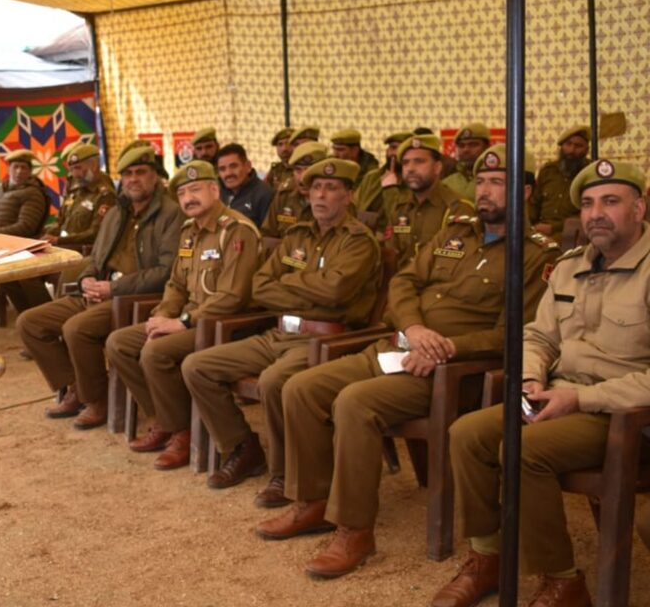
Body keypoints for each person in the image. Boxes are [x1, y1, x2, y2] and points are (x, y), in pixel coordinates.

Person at [260, 145, 560, 581]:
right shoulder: (453, 232)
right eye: (480, 182)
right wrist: (415, 328)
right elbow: (404, 280)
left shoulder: (537, 255)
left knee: (354, 404)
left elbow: (516, 333)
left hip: (454, 371)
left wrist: (446, 348)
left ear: (527, 191)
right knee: (301, 388)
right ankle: (314, 503)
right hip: (400, 345)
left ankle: (354, 530)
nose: (485, 191)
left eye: (499, 182)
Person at [430, 158, 649, 607]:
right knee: (467, 433)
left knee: (524, 449)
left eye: (611, 201)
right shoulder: (570, 266)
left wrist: (581, 398)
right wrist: (530, 376)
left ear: (640, 208)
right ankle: (487, 556)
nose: (596, 214)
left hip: (620, 413)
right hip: (556, 395)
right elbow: (537, 335)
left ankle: (563, 581)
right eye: (587, 204)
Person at [182, 158, 380, 500]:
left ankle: (285, 472)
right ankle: (244, 448)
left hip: (326, 339)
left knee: (275, 382)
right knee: (198, 366)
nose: (321, 195)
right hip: (280, 333)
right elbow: (259, 286)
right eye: (316, 187)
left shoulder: (358, 241)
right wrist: (311, 287)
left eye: (331, 188)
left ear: (349, 195)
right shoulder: (297, 235)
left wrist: (288, 283)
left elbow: (336, 292)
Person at [106, 160, 261, 469]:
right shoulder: (189, 231)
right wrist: (161, 316)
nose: (189, 198)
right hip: (189, 321)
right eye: (183, 193)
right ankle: (167, 419)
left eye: (196, 189)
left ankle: (181, 431)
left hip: (226, 325)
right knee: (119, 343)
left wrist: (182, 322)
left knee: (155, 352)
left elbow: (232, 297)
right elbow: (176, 283)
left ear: (214, 190)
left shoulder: (236, 231)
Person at [16, 145, 182, 429]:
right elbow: (96, 257)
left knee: (76, 329)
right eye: (127, 174)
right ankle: (76, 386)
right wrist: (87, 279)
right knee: (29, 322)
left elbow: (165, 272)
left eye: (141, 172)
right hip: (99, 292)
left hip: (132, 300)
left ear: (155, 176)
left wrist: (113, 289)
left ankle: (98, 400)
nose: (133, 179)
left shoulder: (170, 214)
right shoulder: (118, 212)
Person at [0, 149, 52, 313]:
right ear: (9, 168)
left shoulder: (33, 193)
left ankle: (44, 312)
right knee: (3, 278)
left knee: (21, 277)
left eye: (24, 168)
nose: (19, 172)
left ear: (30, 171)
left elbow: (26, 226)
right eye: (16, 167)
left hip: (21, 246)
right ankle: (26, 313)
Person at [386, 134, 474, 265]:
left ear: (438, 167)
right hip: (400, 282)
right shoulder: (401, 207)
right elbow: (392, 254)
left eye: (419, 161)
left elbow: (452, 266)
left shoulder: (457, 209)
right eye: (405, 163)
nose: (410, 169)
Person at [42, 143, 116, 246]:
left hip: (85, 253)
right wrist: (46, 235)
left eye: (78, 168)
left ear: (94, 166)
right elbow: (60, 220)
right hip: (65, 249)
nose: (74, 175)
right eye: (71, 170)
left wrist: (59, 240)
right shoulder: (76, 190)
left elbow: (95, 233)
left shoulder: (105, 195)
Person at [530, 125, 592, 238]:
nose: (572, 150)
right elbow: (534, 204)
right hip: (540, 233)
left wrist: (554, 227)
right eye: (568, 144)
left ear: (586, 150)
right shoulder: (548, 170)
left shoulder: (590, 173)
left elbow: (590, 211)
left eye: (578, 146)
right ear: (561, 147)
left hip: (574, 234)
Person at [260, 142, 327, 238]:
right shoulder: (284, 196)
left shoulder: (334, 201)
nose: (302, 178)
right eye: (298, 170)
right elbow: (267, 234)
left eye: (308, 170)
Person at [352, 130, 411, 231]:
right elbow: (355, 204)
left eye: (401, 149)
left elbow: (400, 216)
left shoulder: (414, 182)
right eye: (392, 148)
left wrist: (391, 188)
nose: (394, 153)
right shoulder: (372, 177)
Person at [216, 143, 273, 228]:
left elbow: (269, 235)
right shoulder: (216, 192)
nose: (228, 173)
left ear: (248, 166)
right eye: (222, 169)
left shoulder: (265, 194)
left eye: (233, 166)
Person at [441, 122, 491, 201]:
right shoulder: (446, 184)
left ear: (487, 147)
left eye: (473, 145)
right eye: (461, 146)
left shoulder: (496, 180)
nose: (466, 150)